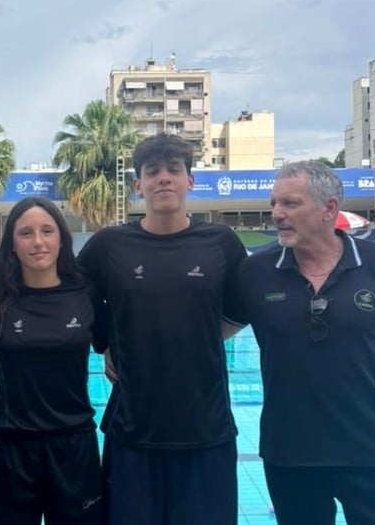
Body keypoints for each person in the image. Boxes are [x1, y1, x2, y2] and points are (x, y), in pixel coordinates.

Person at [232, 160, 375, 525]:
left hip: (374, 453)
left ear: (329, 208)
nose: (277, 213)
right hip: (290, 455)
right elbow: (209, 334)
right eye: (274, 203)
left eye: (290, 203)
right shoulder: (255, 272)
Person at [77, 133, 247, 525]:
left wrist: (200, 337)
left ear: (190, 181)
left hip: (206, 428)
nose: (164, 178)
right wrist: (105, 343)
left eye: (174, 169)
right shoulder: (110, 245)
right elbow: (75, 294)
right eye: (152, 171)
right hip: (132, 428)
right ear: (138, 185)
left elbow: (242, 308)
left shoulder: (221, 242)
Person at [0, 197, 103, 525]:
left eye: (47, 231)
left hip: (73, 445)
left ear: (62, 239)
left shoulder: (85, 293)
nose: (38, 242)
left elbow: (116, 338)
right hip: (11, 447)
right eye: (26, 233)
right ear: (12, 245)